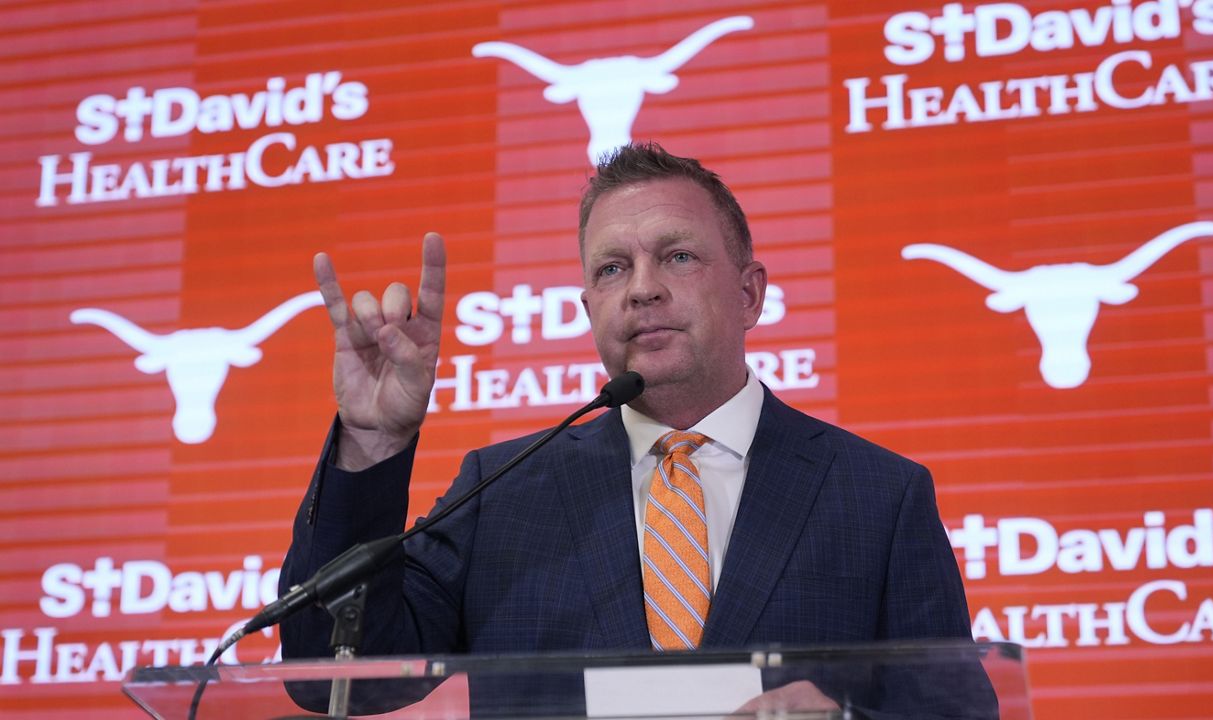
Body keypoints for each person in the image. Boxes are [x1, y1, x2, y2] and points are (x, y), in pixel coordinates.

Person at [279, 143, 981, 714]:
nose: (642, 287)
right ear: (590, 309)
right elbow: (336, 677)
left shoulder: (878, 497)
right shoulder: (503, 493)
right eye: (613, 268)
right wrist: (372, 440)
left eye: (677, 256)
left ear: (750, 294)